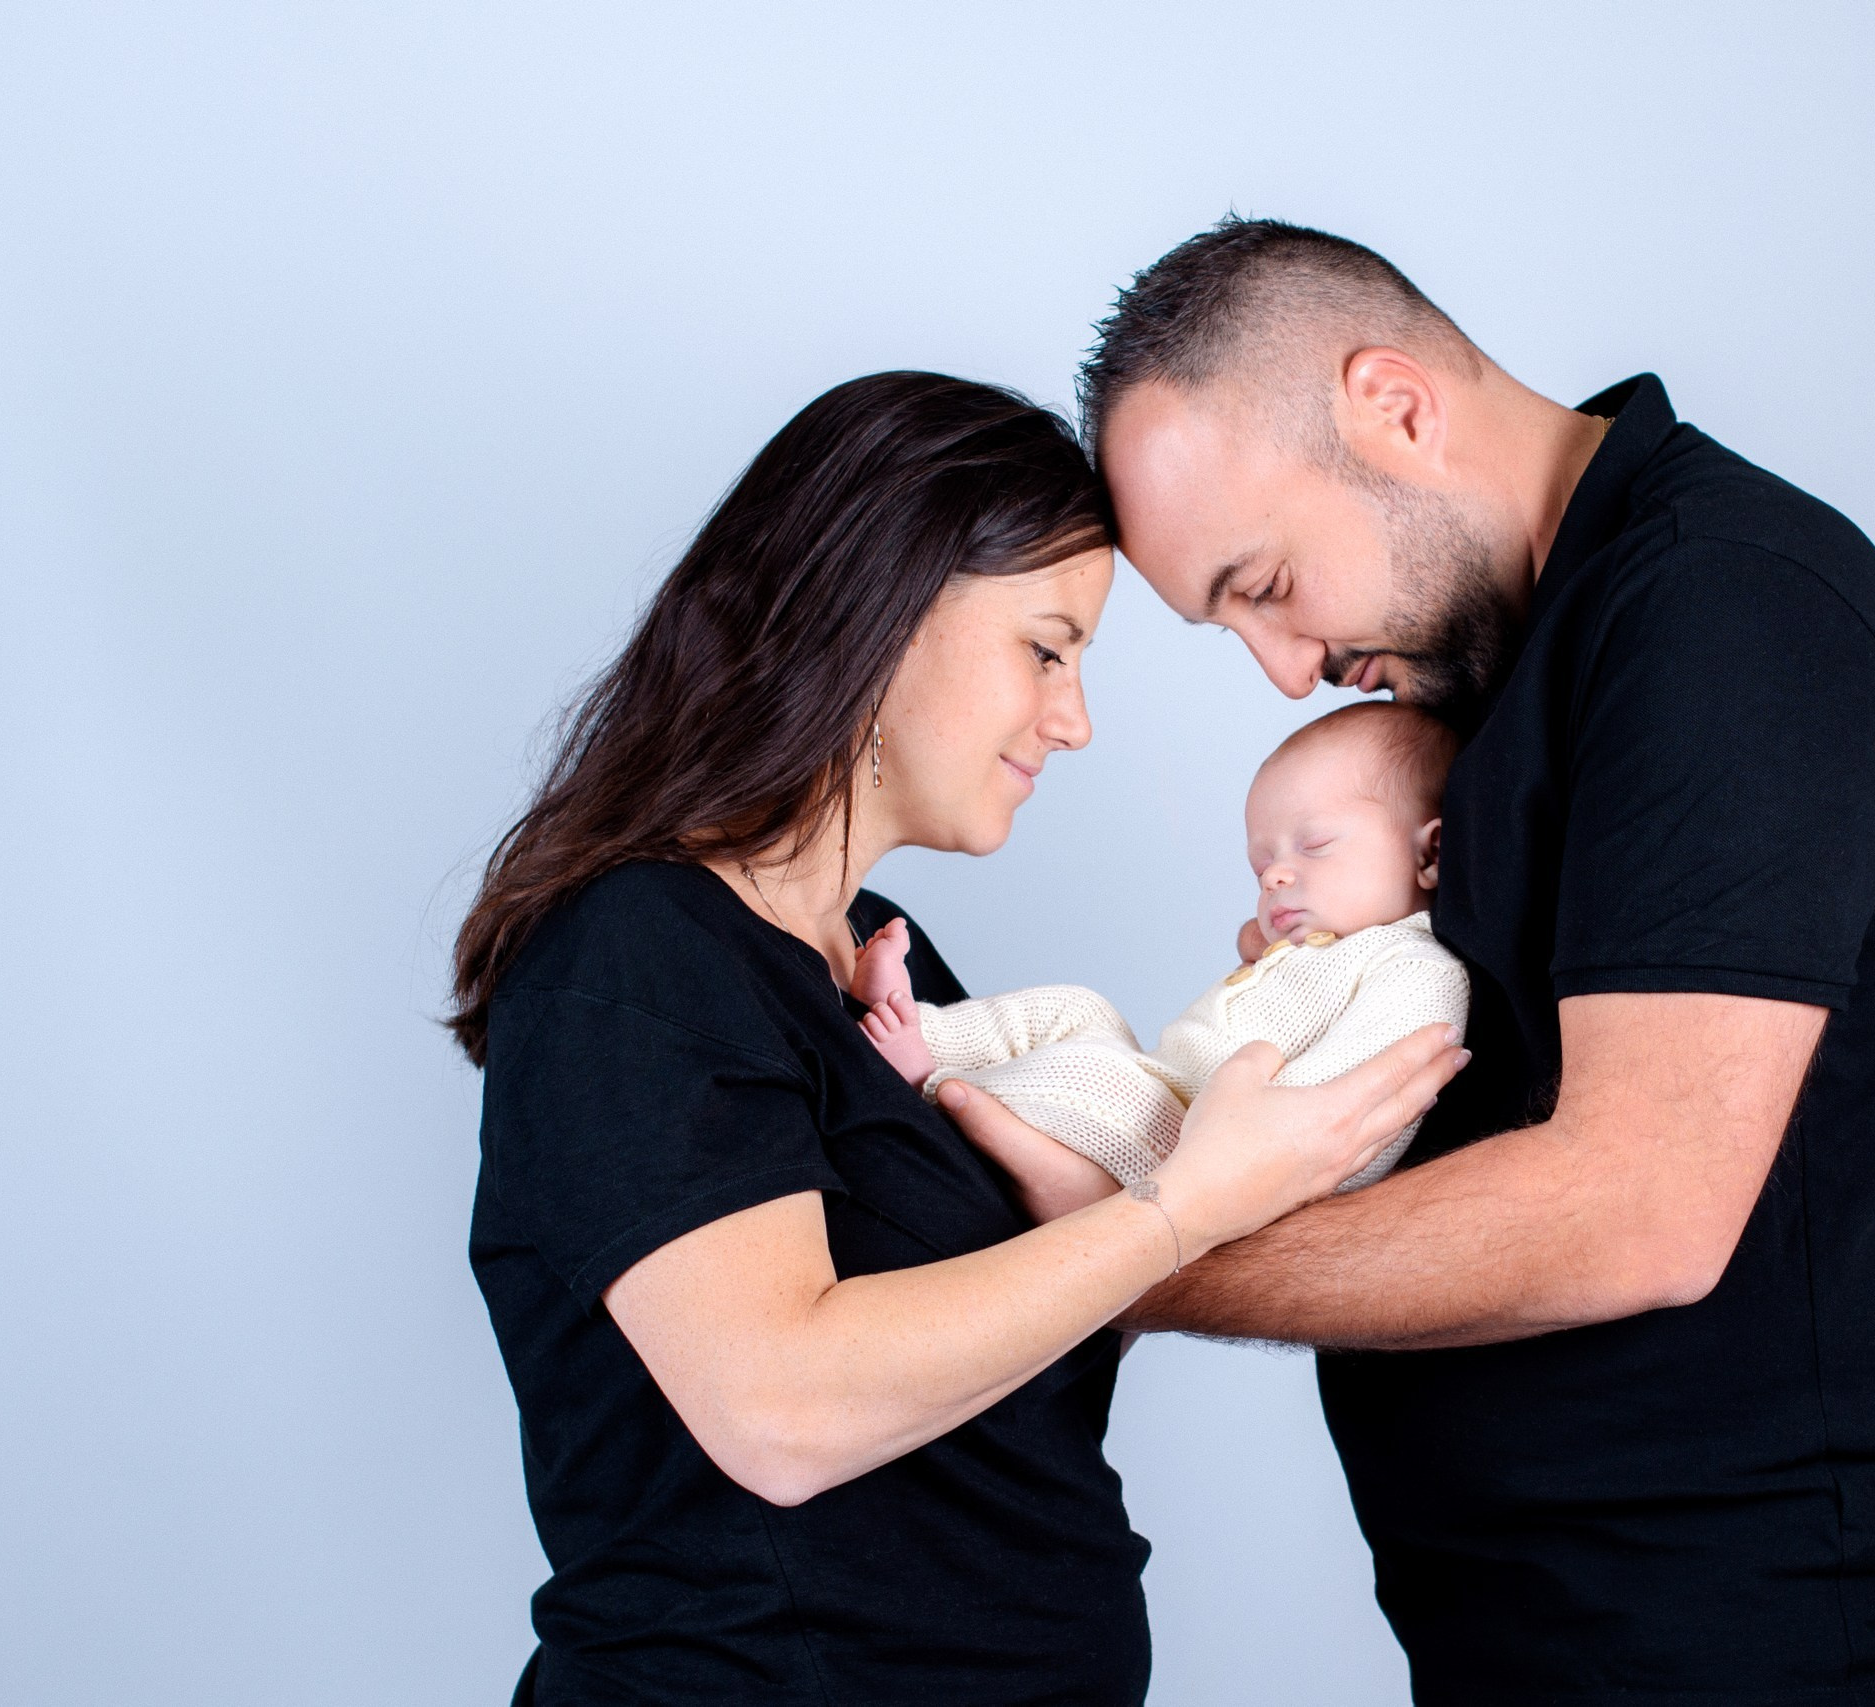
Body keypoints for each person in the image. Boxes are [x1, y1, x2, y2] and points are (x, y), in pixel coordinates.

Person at [941, 221, 1875, 1706]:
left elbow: (1641, 1207)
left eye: (1263, 582)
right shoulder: (1512, 666)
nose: (1281, 670)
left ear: (1395, 405)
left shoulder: (1725, 612)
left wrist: (1121, 1252)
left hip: (1790, 1660)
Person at [450, 370, 1465, 1706]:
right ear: (871, 613)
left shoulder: (883, 952)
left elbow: (1016, 1336)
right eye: (1046, 647)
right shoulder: (637, 952)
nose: (1075, 718)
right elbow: (783, 1407)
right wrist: (1174, 1211)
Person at [857, 700, 1469, 1189]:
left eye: (1313, 846)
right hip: (1168, 1087)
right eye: (1262, 864)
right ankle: (917, 1027)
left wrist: (1224, 1158)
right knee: (1080, 1010)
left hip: (1202, 1152)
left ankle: (930, 1082)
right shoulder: (1310, 948)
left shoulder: (1416, 970)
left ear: (1430, 853)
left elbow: (1352, 1119)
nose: (1275, 876)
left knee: (1096, 1076)